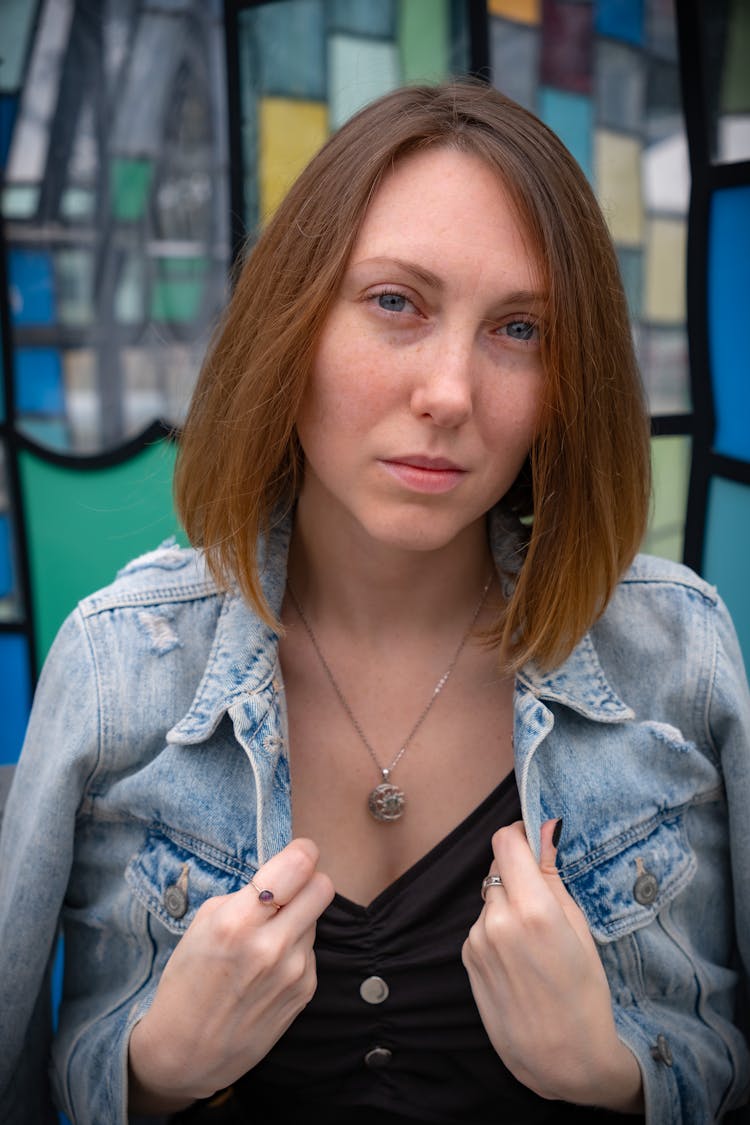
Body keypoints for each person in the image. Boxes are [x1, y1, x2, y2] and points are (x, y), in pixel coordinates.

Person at [0, 78, 748, 1125]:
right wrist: (151, 1071)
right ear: (291, 322)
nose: (450, 392)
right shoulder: (120, 668)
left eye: (520, 329)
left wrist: (620, 1075)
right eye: (396, 303)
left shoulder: (678, 653)